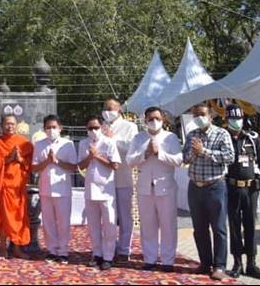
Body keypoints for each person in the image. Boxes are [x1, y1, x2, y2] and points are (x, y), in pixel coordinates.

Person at [126, 106, 182, 272]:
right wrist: (145, 153)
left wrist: (160, 153)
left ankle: (167, 260)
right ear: (145, 121)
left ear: (163, 119)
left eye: (157, 118)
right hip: (145, 188)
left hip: (166, 188)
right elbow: (129, 161)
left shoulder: (171, 138)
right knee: (147, 226)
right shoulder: (138, 138)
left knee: (168, 225)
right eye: (150, 119)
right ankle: (149, 258)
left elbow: (178, 160)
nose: (154, 122)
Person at [182, 104, 235, 281]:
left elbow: (229, 157)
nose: (199, 118)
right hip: (195, 187)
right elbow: (185, 158)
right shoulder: (191, 135)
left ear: (211, 116)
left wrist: (204, 151)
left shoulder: (222, 134)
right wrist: (194, 153)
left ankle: (219, 266)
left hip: (215, 187)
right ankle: (205, 263)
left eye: (202, 114)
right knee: (199, 229)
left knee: (219, 228)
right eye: (195, 115)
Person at [224, 104, 260, 280]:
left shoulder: (252, 138)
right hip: (231, 188)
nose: (236, 122)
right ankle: (237, 263)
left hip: (251, 189)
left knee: (250, 225)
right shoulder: (223, 137)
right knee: (235, 227)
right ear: (226, 120)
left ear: (243, 119)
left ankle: (252, 263)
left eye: (239, 118)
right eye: (232, 119)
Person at [32, 114, 78, 264]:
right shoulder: (39, 145)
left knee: (63, 222)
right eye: (48, 128)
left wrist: (57, 161)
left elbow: (73, 167)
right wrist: (47, 161)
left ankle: (63, 251)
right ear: (44, 129)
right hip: (45, 189)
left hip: (63, 189)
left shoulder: (68, 144)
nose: (51, 130)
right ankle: (51, 250)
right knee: (48, 222)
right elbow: (34, 168)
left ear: (60, 128)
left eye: (54, 127)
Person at [78, 115, 120, 270]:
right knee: (93, 225)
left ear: (101, 127)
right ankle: (97, 254)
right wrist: (90, 156)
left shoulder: (109, 142)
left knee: (109, 224)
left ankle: (108, 256)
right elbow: (80, 166)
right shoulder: (83, 143)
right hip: (90, 189)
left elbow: (115, 165)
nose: (93, 131)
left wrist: (97, 156)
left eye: (96, 127)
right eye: (90, 128)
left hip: (106, 190)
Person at [0, 113, 34, 259]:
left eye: (13, 124)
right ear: (2, 125)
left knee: (18, 218)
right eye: (7, 123)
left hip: (18, 187)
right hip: (3, 186)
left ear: (17, 126)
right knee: (3, 218)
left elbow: (31, 166)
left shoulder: (24, 143)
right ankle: (3, 249)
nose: (10, 126)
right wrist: (8, 159)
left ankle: (16, 248)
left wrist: (20, 159)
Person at [101, 98, 138, 264]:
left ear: (119, 110)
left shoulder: (130, 127)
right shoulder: (101, 126)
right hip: (104, 180)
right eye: (105, 108)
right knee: (108, 217)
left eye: (111, 108)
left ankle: (124, 249)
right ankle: (109, 247)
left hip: (123, 177)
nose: (108, 111)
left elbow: (132, 147)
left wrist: (112, 139)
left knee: (125, 217)